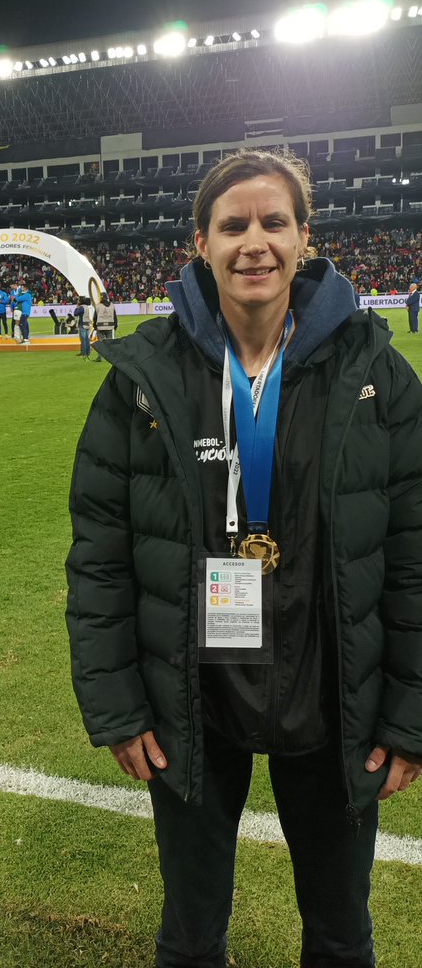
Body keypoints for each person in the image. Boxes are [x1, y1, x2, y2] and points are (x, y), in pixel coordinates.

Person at [65, 148, 422, 968]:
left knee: (340, 934)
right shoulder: (141, 378)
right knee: (189, 938)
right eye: (232, 225)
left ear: (305, 237)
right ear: (200, 243)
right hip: (192, 694)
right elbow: (100, 554)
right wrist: (118, 705)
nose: (252, 241)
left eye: (272, 221)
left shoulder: (374, 372)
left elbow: (409, 554)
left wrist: (407, 718)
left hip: (331, 693)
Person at [92, 291, 117, 362]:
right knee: (109, 342)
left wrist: (94, 326)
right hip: (110, 326)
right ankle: (111, 357)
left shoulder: (98, 306)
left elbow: (95, 317)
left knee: (101, 343)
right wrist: (115, 326)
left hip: (100, 326)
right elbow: (114, 316)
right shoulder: (112, 305)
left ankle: (100, 357)